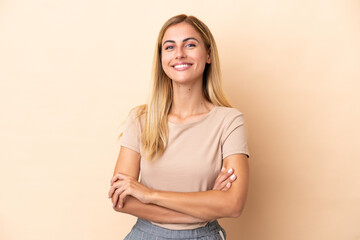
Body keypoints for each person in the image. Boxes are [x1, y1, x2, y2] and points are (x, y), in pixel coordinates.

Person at [108, 14, 250, 240]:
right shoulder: (140, 119)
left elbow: (233, 204)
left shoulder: (229, 121)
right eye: (170, 47)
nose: (179, 54)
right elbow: (121, 200)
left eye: (190, 45)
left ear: (209, 55)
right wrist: (207, 202)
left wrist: (149, 194)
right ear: (162, 58)